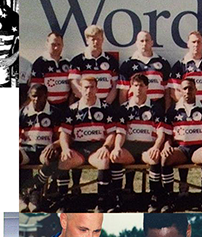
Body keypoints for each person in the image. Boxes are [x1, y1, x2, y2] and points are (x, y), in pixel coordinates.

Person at [53, 77, 116, 210]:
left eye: (92, 87)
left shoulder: (106, 108)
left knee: (104, 161)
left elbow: (112, 133)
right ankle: (63, 201)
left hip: (97, 147)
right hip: (79, 147)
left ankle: (102, 201)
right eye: (86, 87)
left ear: (97, 88)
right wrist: (65, 149)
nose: (89, 90)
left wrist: (105, 147)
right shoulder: (72, 109)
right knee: (64, 161)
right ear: (81, 89)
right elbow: (64, 133)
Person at [110, 74, 167, 211]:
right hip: (130, 147)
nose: (138, 88)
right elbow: (121, 133)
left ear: (147, 87)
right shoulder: (124, 108)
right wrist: (117, 147)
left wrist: (156, 147)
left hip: (148, 147)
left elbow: (161, 134)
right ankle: (117, 199)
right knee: (116, 156)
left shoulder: (156, 107)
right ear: (131, 87)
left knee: (155, 157)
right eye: (135, 85)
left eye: (141, 85)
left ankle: (154, 199)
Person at [160, 78, 202, 211]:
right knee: (165, 158)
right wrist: (167, 146)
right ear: (180, 91)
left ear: (196, 90)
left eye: (190, 88)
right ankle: (169, 200)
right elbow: (168, 135)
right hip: (181, 149)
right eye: (184, 88)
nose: (187, 91)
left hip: (198, 148)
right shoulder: (173, 110)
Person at [19, 84, 60, 205]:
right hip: (27, 149)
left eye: (40, 96)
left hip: (45, 149)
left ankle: (35, 187)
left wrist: (54, 145)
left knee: (54, 156)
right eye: (34, 96)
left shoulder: (54, 112)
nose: (36, 99)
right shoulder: (23, 112)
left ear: (46, 96)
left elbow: (61, 137)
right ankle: (19, 196)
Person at [118, 31, 172, 109]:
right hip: (134, 111)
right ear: (136, 43)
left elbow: (167, 93)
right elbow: (123, 94)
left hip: (157, 110)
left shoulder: (163, 63)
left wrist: (166, 112)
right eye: (141, 41)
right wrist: (124, 113)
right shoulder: (128, 64)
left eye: (147, 40)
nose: (144, 43)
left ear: (152, 43)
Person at [169, 31, 202, 107]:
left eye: (199, 42)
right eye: (193, 42)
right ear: (188, 44)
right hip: (187, 110)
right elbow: (174, 92)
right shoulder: (180, 65)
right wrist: (188, 106)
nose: (196, 45)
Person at [69, 25, 118, 105]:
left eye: (98, 39)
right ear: (87, 41)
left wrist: (105, 104)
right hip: (85, 105)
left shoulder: (111, 61)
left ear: (102, 40)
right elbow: (74, 85)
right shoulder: (77, 61)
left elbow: (115, 86)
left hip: (106, 105)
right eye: (93, 39)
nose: (96, 42)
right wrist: (88, 102)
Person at [29, 32, 72, 107]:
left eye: (59, 45)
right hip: (47, 107)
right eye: (53, 44)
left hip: (65, 106)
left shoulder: (67, 63)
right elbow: (36, 90)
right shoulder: (40, 63)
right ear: (47, 44)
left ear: (63, 45)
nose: (56, 48)